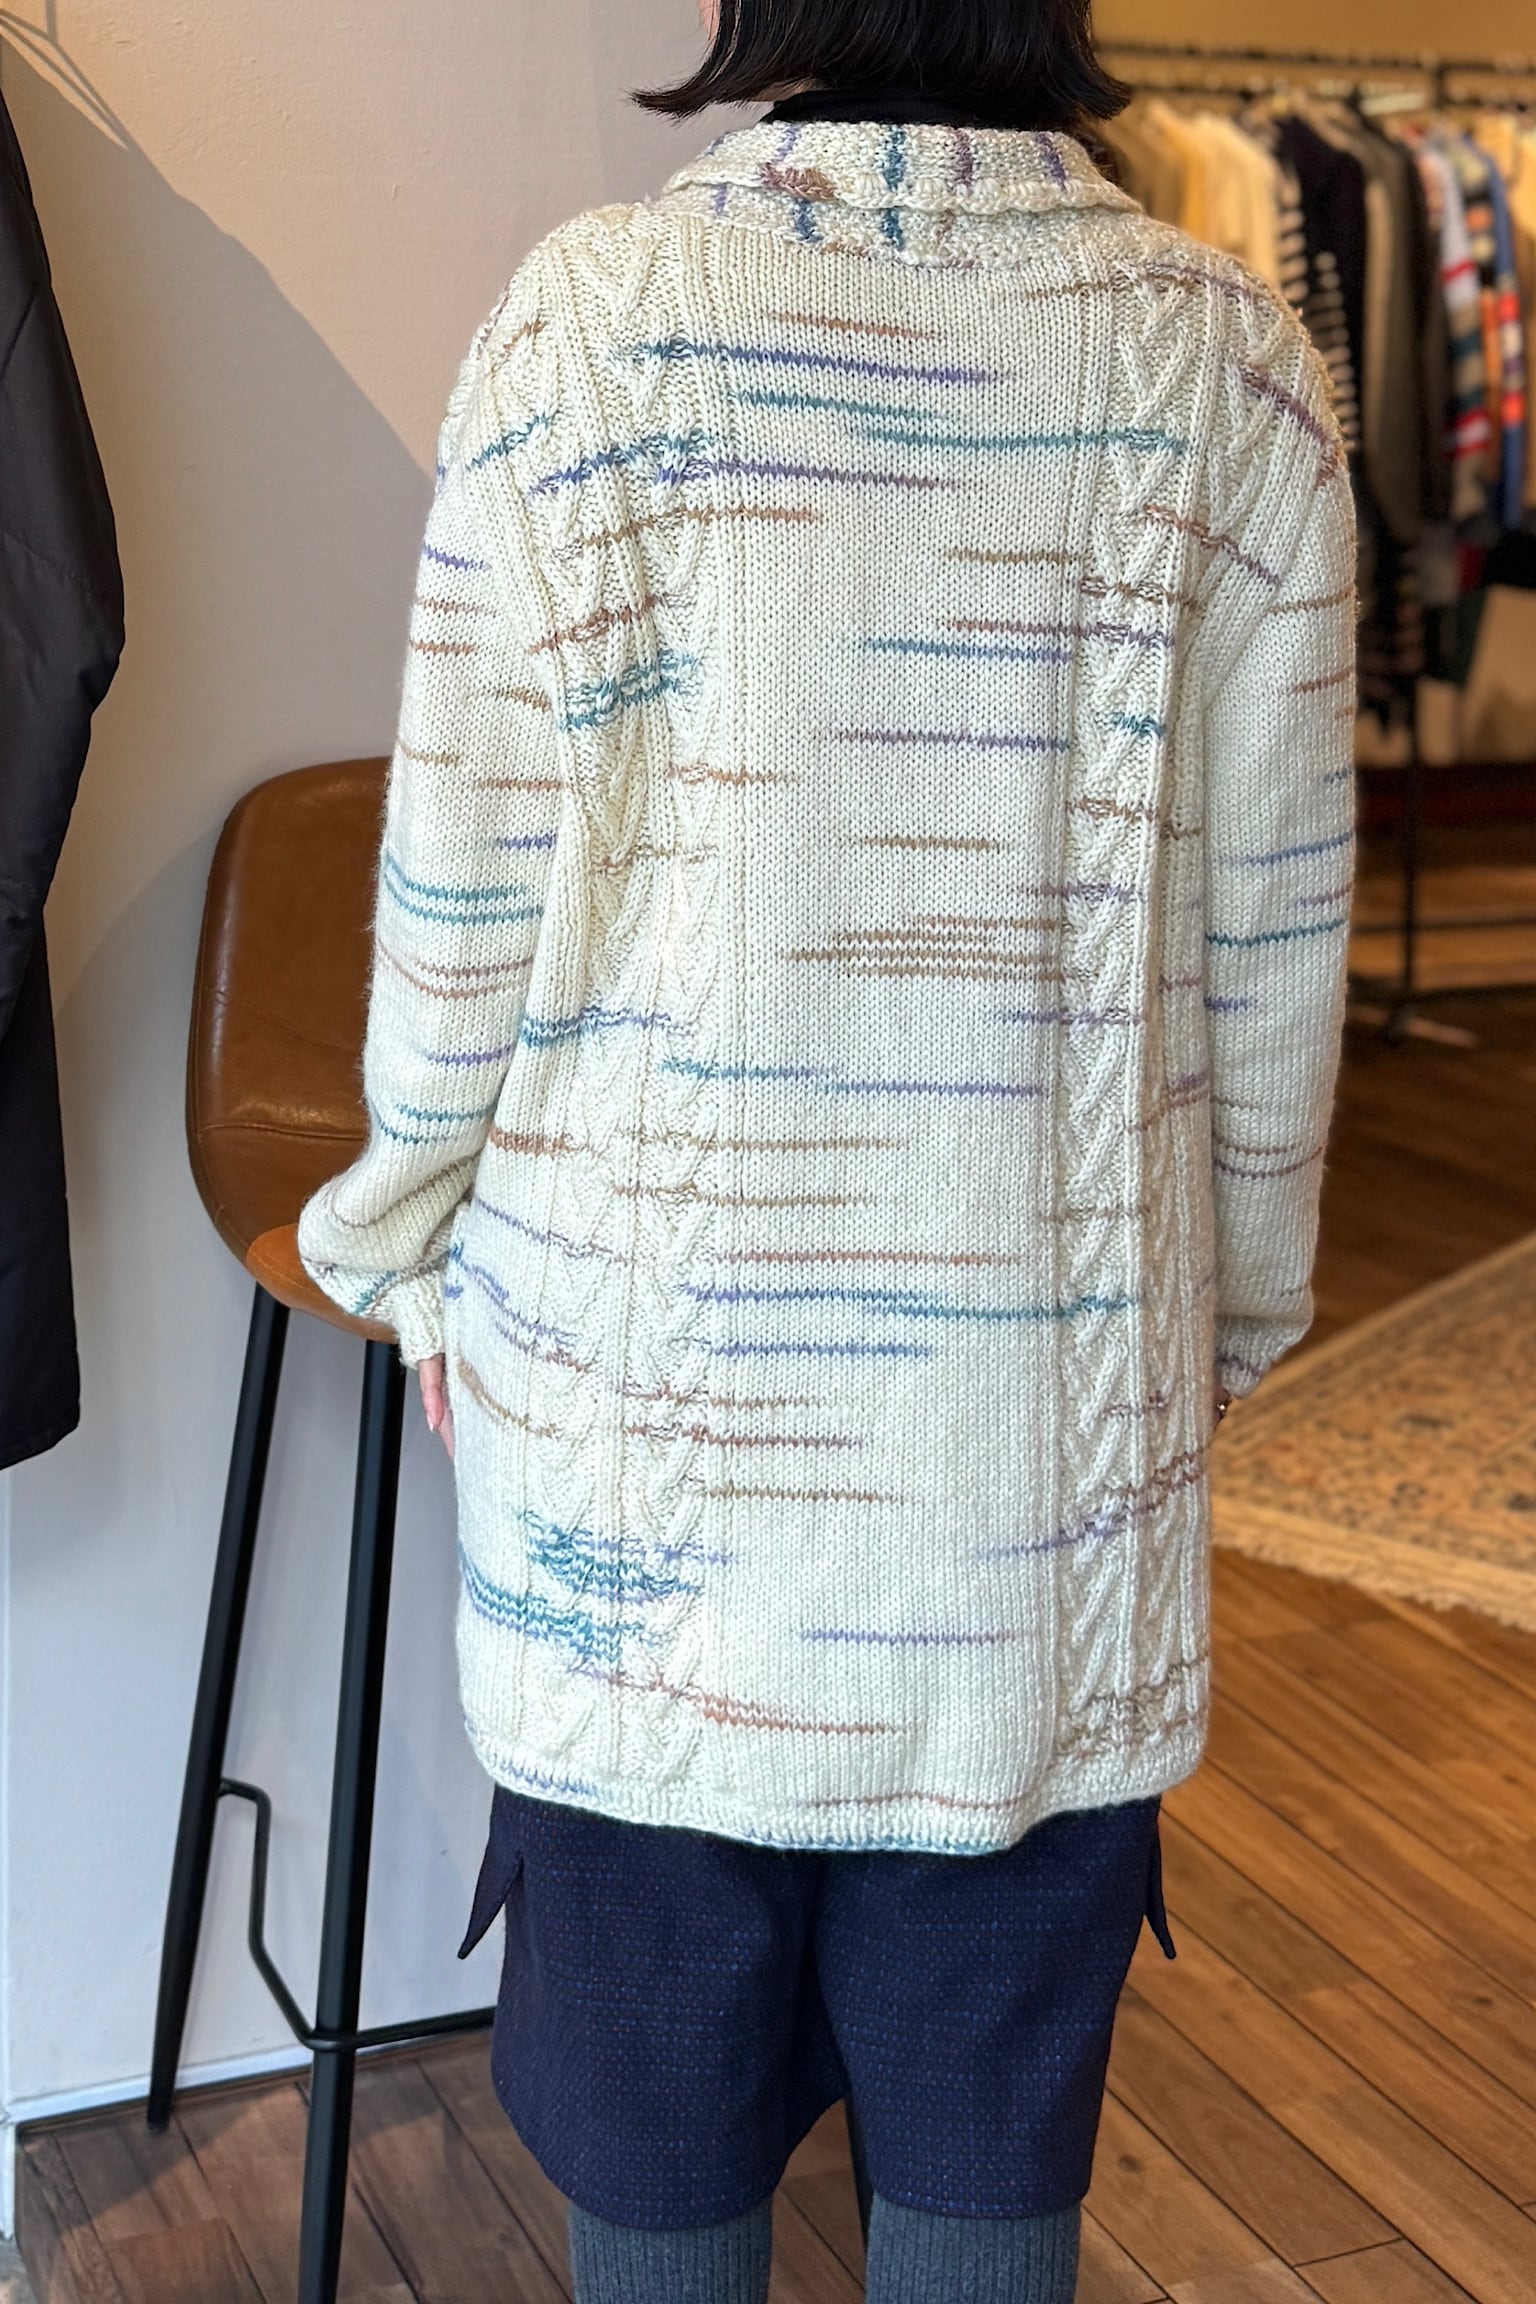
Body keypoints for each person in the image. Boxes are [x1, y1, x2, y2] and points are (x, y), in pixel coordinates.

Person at [298, 0, 1357, 2294]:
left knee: (655, 2174)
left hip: (637, 1492)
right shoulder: (1232, 368)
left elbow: (463, 901)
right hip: (1037, 1507)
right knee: (986, 2181)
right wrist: (1225, 1322)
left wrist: (401, 1250)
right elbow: (1273, 950)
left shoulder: (588, 325)